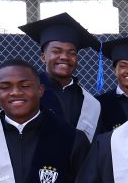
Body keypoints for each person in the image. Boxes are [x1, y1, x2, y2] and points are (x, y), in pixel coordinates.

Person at [19, 13, 102, 142]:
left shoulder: (89, 102)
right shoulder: (26, 93)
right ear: (43, 57)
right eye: (56, 52)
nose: (64, 57)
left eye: (71, 53)